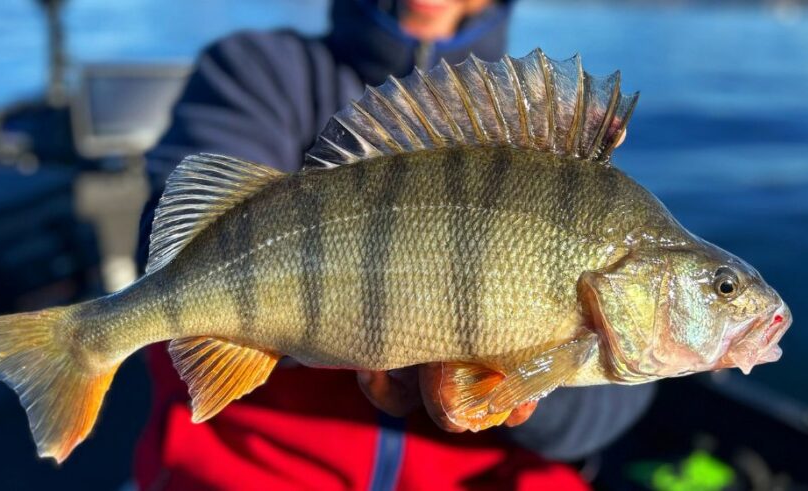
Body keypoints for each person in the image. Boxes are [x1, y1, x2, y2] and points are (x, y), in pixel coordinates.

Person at [134, 1, 654, 489]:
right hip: (265, 467)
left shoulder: (543, 128)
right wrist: (369, 311)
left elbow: (610, 411)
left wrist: (521, 374)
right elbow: (175, 256)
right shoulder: (261, 69)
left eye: (723, 290)